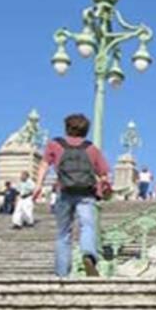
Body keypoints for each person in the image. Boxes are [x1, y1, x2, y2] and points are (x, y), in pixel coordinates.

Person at [34, 113, 111, 278]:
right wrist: (105, 187)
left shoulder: (55, 145)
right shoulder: (91, 149)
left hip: (64, 191)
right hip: (86, 193)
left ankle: (62, 274)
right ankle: (88, 254)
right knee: (87, 226)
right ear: (86, 130)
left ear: (67, 128)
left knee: (63, 233)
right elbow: (104, 174)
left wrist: (39, 186)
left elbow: (44, 164)